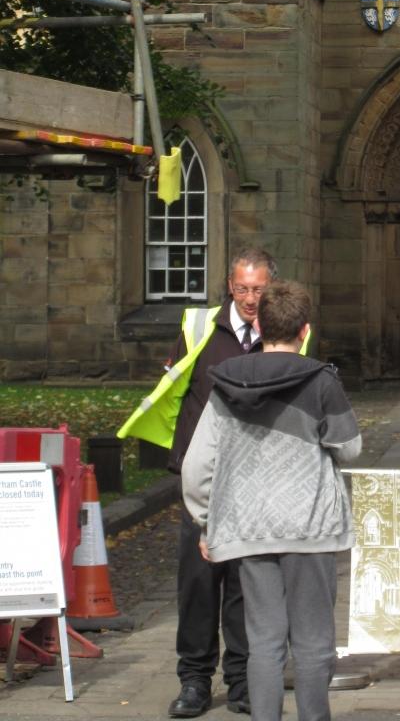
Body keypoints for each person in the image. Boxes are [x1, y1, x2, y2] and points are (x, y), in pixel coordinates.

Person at [182, 281, 361, 721]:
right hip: (310, 527)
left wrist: (206, 520)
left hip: (250, 525)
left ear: (258, 326)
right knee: (314, 642)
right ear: (305, 330)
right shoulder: (321, 381)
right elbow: (349, 447)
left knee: (263, 642)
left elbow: (196, 466)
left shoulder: (226, 383)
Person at [118, 246, 284, 719]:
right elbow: (177, 390)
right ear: (230, 286)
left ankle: (241, 681)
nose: (250, 299)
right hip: (204, 478)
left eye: (259, 290)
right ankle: (193, 680)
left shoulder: (284, 332)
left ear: (271, 287)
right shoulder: (199, 328)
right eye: (243, 289)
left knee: (244, 584)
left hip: (254, 480)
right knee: (198, 584)